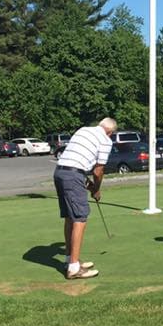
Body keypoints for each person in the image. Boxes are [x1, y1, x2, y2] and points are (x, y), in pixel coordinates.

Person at [54, 118, 116, 279]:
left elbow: (77, 163)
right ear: (110, 132)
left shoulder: (83, 130)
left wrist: (87, 184)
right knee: (80, 218)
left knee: (70, 217)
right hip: (73, 175)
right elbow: (98, 171)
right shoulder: (105, 140)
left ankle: (70, 260)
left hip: (60, 172)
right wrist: (96, 189)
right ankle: (74, 269)